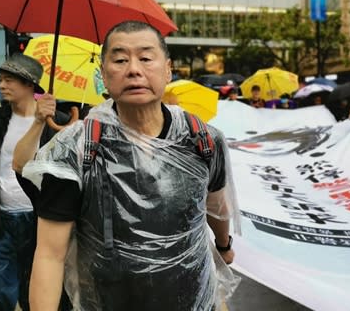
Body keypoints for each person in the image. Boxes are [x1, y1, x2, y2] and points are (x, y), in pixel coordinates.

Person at [19, 21, 239, 311]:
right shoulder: (74, 150)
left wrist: (223, 245)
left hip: (196, 299)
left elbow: (216, 207)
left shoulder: (203, 140)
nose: (134, 69)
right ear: (103, 75)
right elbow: (49, 254)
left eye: (146, 58)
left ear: (168, 69)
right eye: (120, 59)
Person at [0, 54, 69, 311]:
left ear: (30, 84)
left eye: (9, 80)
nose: (1, 85)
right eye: (0, 80)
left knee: (39, 295)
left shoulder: (59, 123)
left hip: (43, 223)